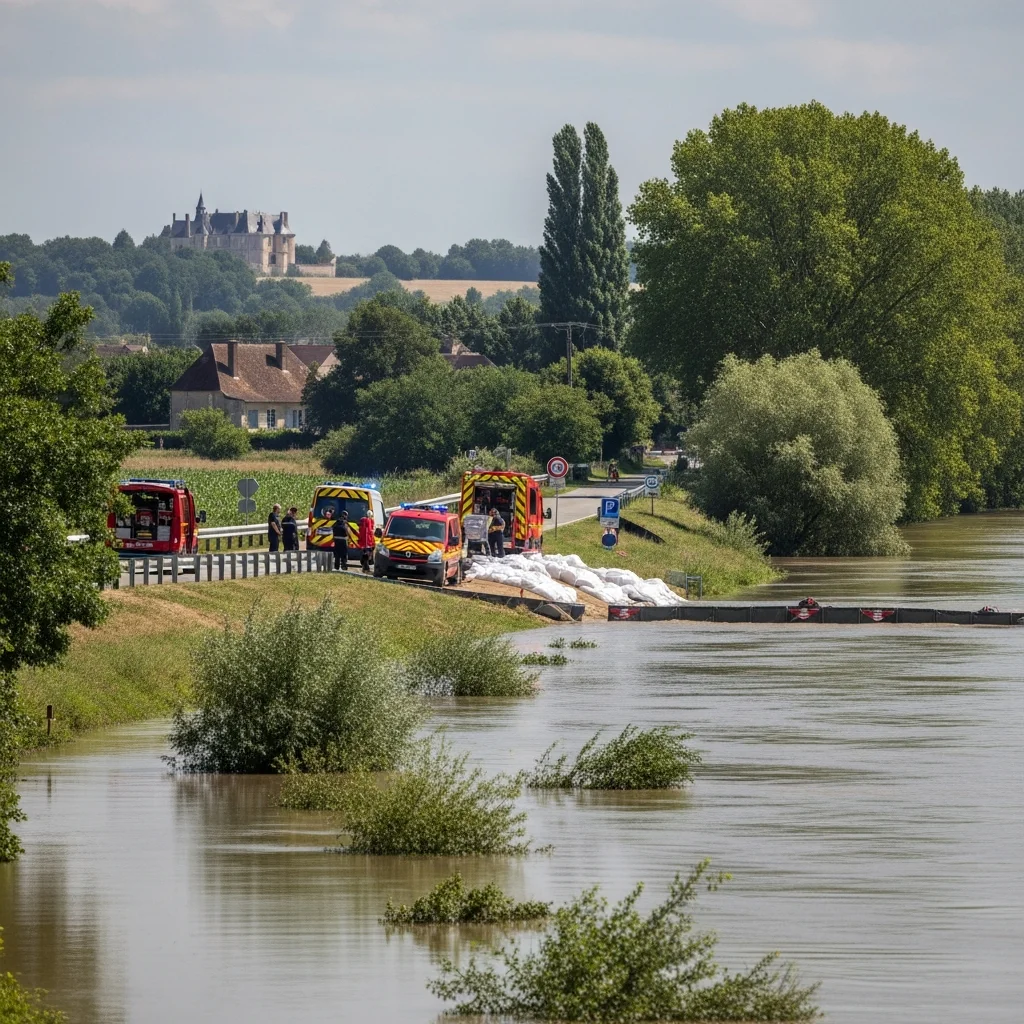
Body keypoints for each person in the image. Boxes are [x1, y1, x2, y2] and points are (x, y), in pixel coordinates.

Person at [357, 508, 375, 573]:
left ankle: (365, 568)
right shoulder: (369, 521)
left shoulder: (363, 521)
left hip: (363, 543)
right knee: (366, 556)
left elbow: (361, 532)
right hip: (368, 543)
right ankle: (366, 568)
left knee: (365, 556)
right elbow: (370, 532)